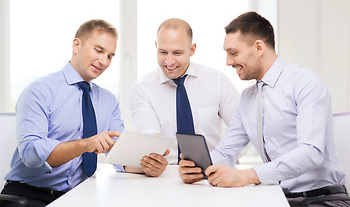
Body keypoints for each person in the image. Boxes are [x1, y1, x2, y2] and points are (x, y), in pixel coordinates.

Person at [178, 12, 350, 207]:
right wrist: (200, 168)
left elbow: (311, 152)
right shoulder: (248, 98)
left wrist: (247, 176)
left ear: (258, 47)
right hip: (277, 198)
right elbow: (227, 151)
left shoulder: (305, 82)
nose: (228, 62)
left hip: (323, 199)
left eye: (233, 53)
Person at [0, 19, 125, 207]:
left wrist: (146, 163)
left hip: (78, 196)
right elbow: (32, 155)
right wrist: (85, 144)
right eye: (99, 51)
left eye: (110, 56)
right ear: (76, 45)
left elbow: (119, 153)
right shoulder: (39, 91)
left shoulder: (109, 101)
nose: (104, 61)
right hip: (29, 196)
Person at [128, 18, 240, 177]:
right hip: (165, 176)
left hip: (213, 172)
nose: (169, 61)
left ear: (192, 49)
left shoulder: (217, 81)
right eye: (163, 52)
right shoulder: (142, 89)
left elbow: (241, 130)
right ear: (156, 47)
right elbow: (150, 135)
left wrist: (224, 160)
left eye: (177, 53)